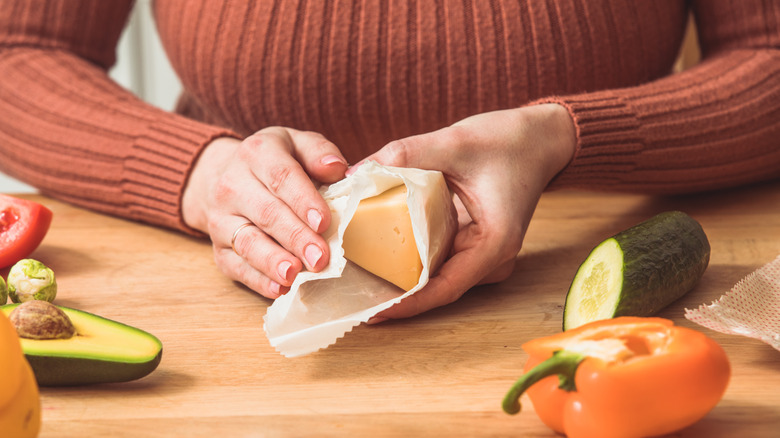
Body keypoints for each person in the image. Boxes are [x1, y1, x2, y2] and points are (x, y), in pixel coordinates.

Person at [0, 1, 778, 321]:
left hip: (573, 253)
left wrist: (566, 136)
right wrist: (201, 174)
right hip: (222, 282)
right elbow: (21, 49)